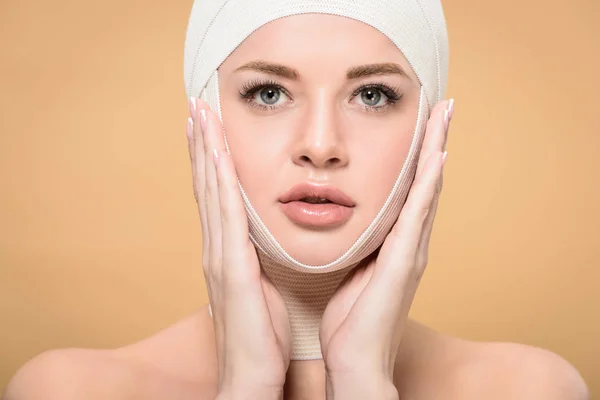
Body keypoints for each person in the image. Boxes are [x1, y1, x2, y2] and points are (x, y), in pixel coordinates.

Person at [3, 1, 589, 399]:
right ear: (203, 111)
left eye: (374, 94)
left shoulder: (528, 388)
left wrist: (363, 382)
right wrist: (247, 386)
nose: (320, 146)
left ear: (429, 126)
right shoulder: (72, 390)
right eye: (268, 92)